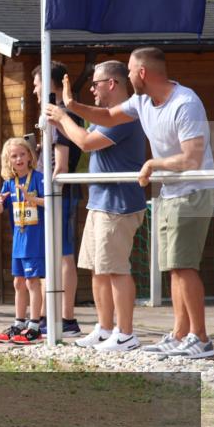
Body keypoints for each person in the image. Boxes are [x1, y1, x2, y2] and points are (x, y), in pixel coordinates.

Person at [62, 47, 214, 359]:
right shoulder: (142, 101)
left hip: (194, 189)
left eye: (131, 71)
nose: (128, 75)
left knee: (184, 267)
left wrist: (152, 164)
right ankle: (180, 334)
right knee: (174, 268)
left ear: (143, 73)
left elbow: (191, 158)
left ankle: (200, 338)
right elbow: (107, 116)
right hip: (171, 191)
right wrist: (71, 106)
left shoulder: (185, 103)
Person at [45, 61, 146, 352]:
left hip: (118, 205)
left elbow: (87, 142)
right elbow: (83, 135)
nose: (91, 90)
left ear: (111, 84)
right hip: (100, 203)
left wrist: (63, 117)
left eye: (95, 84)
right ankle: (104, 330)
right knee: (98, 270)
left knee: (116, 270)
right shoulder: (106, 115)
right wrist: (63, 117)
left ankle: (125, 334)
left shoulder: (126, 115)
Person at [33, 62, 82, 337]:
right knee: (50, 254)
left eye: (37, 84)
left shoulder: (63, 115)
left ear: (49, 83)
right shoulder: (52, 115)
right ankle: (45, 316)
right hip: (47, 194)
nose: (34, 90)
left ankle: (67, 319)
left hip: (59, 194)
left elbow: (61, 164)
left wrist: (49, 193)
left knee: (63, 255)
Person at [0, 137, 47, 344]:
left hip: (35, 240)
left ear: (30, 156)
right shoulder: (9, 183)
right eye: (14, 156)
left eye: (22, 154)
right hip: (19, 241)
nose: (19, 159)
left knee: (33, 282)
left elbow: (49, 202)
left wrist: (31, 198)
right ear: (8, 161)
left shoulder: (39, 178)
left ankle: (35, 326)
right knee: (18, 282)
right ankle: (19, 323)